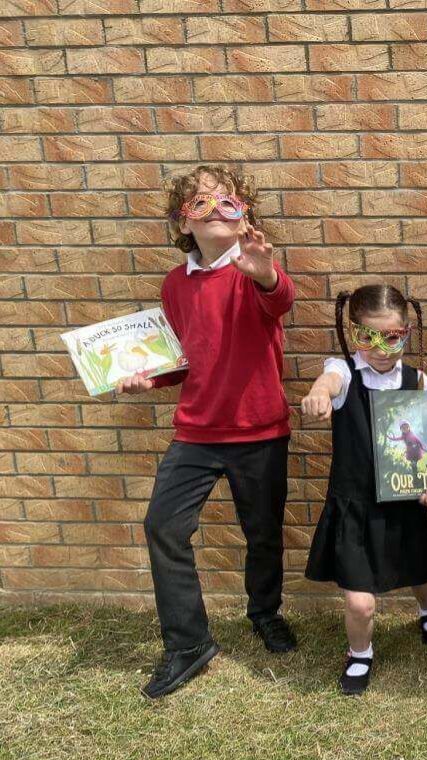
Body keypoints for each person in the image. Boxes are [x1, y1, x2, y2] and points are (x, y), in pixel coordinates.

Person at [118, 164, 297, 699]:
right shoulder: (175, 284)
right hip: (195, 434)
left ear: (245, 215)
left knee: (262, 534)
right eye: (202, 203)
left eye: (228, 202)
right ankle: (189, 643)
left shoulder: (255, 269)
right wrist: (150, 379)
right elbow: (182, 359)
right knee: (163, 527)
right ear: (184, 222)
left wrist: (264, 274)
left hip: (260, 431)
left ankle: (265, 613)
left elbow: (281, 298)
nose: (217, 210)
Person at [301, 285, 427, 696]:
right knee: (360, 602)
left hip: (404, 499)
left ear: (407, 333)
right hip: (356, 507)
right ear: (353, 333)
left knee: (422, 567)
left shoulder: (418, 381)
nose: (380, 349)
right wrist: (318, 393)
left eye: (392, 337)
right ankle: (360, 653)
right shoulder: (345, 371)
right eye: (368, 337)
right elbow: (328, 383)